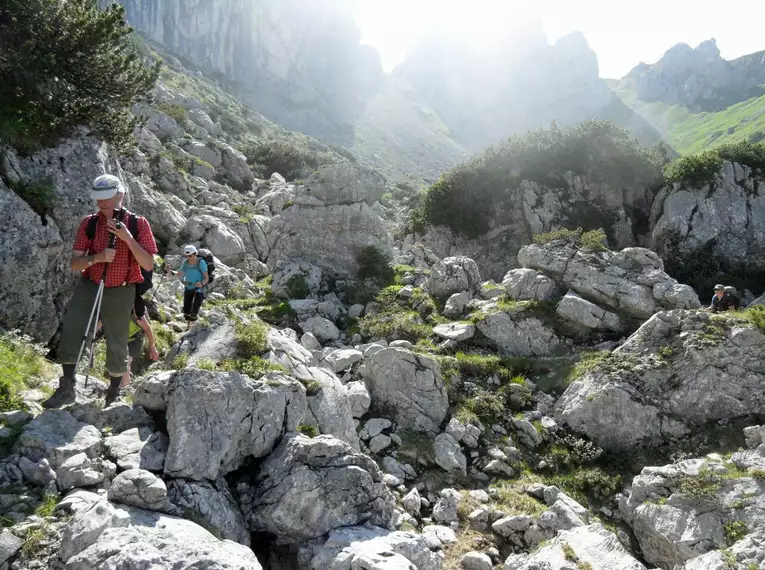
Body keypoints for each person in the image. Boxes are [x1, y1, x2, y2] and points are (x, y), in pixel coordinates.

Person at [43, 174, 158, 409]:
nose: (101, 203)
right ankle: (66, 387)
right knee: (73, 327)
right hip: (91, 284)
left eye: (106, 198)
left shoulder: (138, 224)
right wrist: (96, 258)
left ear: (120, 195)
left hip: (122, 289)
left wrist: (127, 238)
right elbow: (75, 264)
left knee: (117, 340)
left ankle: (113, 391)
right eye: (98, 198)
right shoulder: (89, 223)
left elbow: (148, 264)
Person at [123, 287, 159, 388]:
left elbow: (148, 329)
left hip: (135, 341)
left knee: (125, 363)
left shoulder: (137, 312)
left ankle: (124, 389)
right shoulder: (117, 306)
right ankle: (126, 382)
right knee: (120, 364)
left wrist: (152, 348)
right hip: (121, 338)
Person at [165, 245, 209, 329]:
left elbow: (206, 278)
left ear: (195, 254)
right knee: (186, 312)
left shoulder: (201, 262)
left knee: (193, 312)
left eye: (190, 256)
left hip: (198, 289)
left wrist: (202, 283)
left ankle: (190, 329)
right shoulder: (186, 263)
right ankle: (189, 327)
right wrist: (169, 271)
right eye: (187, 256)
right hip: (188, 288)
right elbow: (179, 274)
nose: (188, 257)